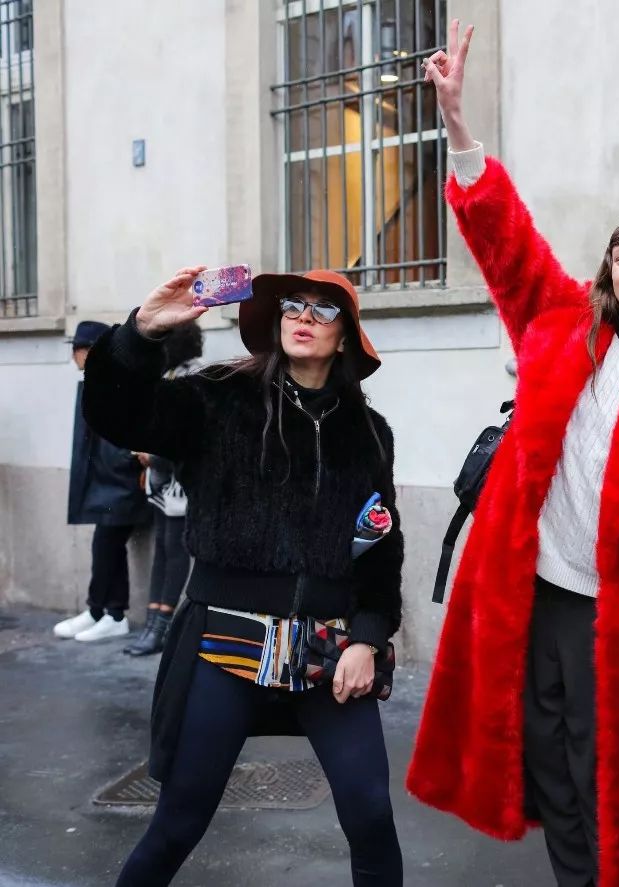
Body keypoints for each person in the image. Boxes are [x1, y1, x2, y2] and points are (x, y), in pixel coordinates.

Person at [406, 21, 619, 887]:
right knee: (550, 759)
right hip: (538, 588)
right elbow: (504, 242)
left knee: (615, 778)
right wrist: (458, 129)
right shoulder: (561, 324)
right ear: (608, 268)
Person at [82, 267, 405, 886]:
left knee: (370, 814)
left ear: (345, 339)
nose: (304, 317)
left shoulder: (369, 433)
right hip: (223, 643)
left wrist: (367, 637)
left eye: (322, 310)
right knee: (179, 820)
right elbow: (117, 414)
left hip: (328, 654)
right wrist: (141, 334)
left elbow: (380, 546)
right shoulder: (219, 399)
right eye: (293, 306)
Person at [54, 321, 152, 643]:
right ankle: (107, 613)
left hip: (120, 482)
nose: (73, 357)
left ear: (90, 351)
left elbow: (126, 435)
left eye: (77, 350)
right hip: (107, 482)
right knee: (107, 544)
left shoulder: (115, 383)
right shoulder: (97, 382)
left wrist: (124, 461)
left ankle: (105, 612)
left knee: (106, 544)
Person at [125, 322, 204, 657]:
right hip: (163, 482)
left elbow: (189, 433)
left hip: (180, 482)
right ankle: (153, 621)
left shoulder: (192, 377)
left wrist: (152, 452)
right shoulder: (171, 374)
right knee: (162, 547)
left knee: (174, 550)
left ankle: (162, 626)